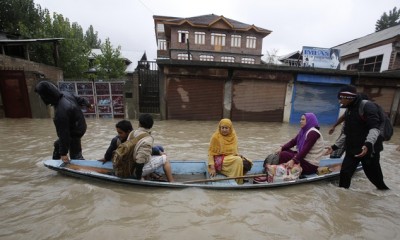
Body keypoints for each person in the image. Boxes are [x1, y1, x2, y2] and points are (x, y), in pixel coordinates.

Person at [325, 85, 389, 190]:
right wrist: (334, 147)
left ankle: (384, 192)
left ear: (347, 97)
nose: (340, 102)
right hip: (352, 150)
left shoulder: (367, 107)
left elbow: (375, 128)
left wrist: (368, 144)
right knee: (344, 175)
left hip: (369, 151)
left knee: (375, 178)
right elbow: (346, 133)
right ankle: (343, 200)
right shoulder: (349, 110)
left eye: (340, 99)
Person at [99, 118, 174, 182]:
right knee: (155, 153)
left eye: (120, 133)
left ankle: (151, 173)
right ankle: (152, 174)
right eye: (118, 133)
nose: (119, 135)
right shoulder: (117, 140)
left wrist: (159, 152)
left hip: (135, 159)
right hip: (131, 163)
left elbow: (145, 150)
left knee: (159, 148)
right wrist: (106, 159)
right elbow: (109, 152)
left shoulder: (133, 135)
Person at [35, 80, 92, 163]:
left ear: (46, 95)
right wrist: (88, 104)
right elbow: (79, 99)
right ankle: (56, 162)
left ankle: (82, 167)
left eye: (41, 95)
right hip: (80, 125)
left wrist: (64, 153)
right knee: (57, 144)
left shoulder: (60, 112)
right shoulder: (65, 94)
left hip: (75, 131)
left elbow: (64, 134)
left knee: (75, 154)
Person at [127, 114, 174, 182]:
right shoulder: (148, 139)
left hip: (128, 165)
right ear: (151, 126)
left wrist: (159, 152)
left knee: (158, 149)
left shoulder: (132, 133)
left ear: (139, 124)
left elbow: (138, 150)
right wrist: (139, 177)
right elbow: (140, 160)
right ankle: (172, 182)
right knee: (165, 158)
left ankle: (149, 175)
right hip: (135, 170)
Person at [208, 118, 251, 184]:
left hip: (231, 157)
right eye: (222, 128)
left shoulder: (233, 135)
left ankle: (239, 176)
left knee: (248, 162)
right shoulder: (216, 137)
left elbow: (235, 149)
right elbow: (210, 153)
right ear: (220, 128)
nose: (224, 130)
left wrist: (238, 155)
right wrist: (212, 167)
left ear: (230, 128)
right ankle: (238, 182)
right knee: (238, 160)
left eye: (226, 128)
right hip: (220, 159)